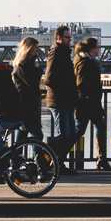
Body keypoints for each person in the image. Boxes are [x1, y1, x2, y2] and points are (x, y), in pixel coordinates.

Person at [70, 37, 111, 171]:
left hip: (89, 103)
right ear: (92, 49)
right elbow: (81, 83)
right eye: (97, 47)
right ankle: (56, 155)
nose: (99, 49)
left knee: (97, 128)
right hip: (88, 102)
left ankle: (102, 159)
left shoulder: (84, 60)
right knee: (79, 130)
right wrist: (91, 93)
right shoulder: (85, 62)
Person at [42, 25, 77, 175]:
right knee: (64, 134)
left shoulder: (63, 52)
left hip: (66, 100)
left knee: (70, 133)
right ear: (59, 38)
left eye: (70, 37)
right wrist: (65, 91)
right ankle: (44, 155)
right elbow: (48, 79)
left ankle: (57, 162)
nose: (70, 40)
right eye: (67, 37)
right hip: (59, 100)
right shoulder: (55, 53)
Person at [12, 37, 43, 140]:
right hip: (26, 105)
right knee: (37, 135)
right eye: (36, 48)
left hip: (26, 104)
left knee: (23, 133)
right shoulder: (23, 65)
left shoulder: (25, 64)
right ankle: (38, 156)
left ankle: (16, 155)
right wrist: (37, 70)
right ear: (28, 48)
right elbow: (32, 83)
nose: (37, 50)